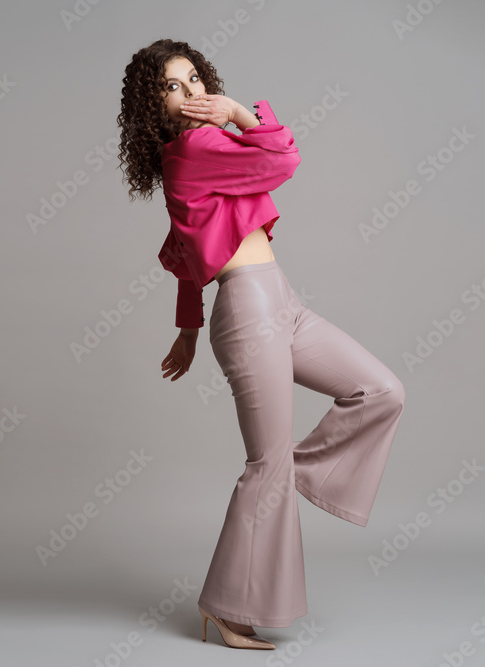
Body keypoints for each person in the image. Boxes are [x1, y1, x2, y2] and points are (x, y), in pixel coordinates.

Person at [116, 39, 406, 650]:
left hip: (282, 300)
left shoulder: (198, 154)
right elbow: (283, 160)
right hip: (250, 309)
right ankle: (227, 610)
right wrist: (241, 113)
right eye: (172, 86)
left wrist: (188, 333)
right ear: (155, 106)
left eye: (195, 78)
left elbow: (184, 258)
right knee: (264, 466)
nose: (191, 92)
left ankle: (286, 468)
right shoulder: (196, 148)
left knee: (380, 390)